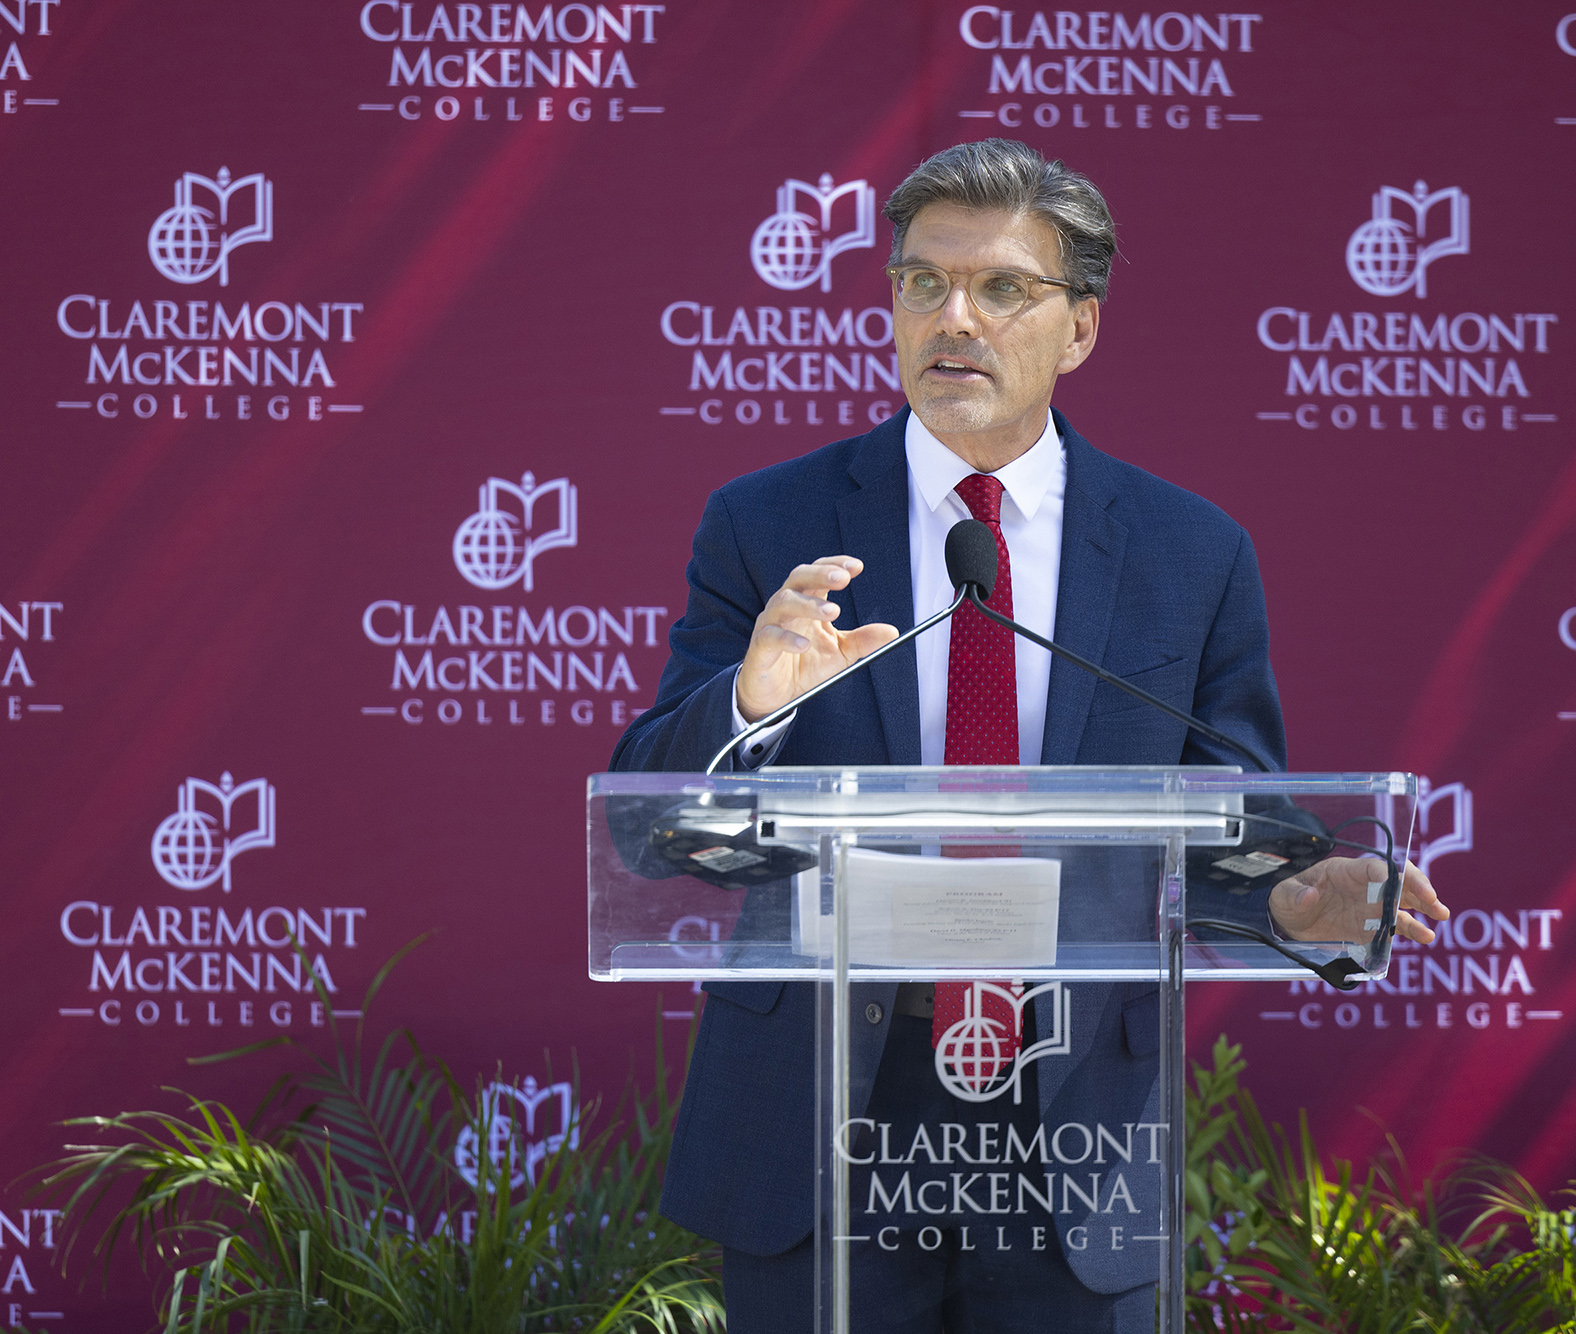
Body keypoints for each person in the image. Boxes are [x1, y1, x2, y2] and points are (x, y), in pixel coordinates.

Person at [609, 138, 1449, 1332]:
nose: (953, 316)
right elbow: (652, 827)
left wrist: (1287, 903)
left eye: (1002, 287)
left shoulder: (1186, 551)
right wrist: (749, 707)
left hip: (1073, 1102)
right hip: (826, 1092)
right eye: (920, 282)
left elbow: (1225, 828)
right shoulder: (768, 523)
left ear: (1080, 329)